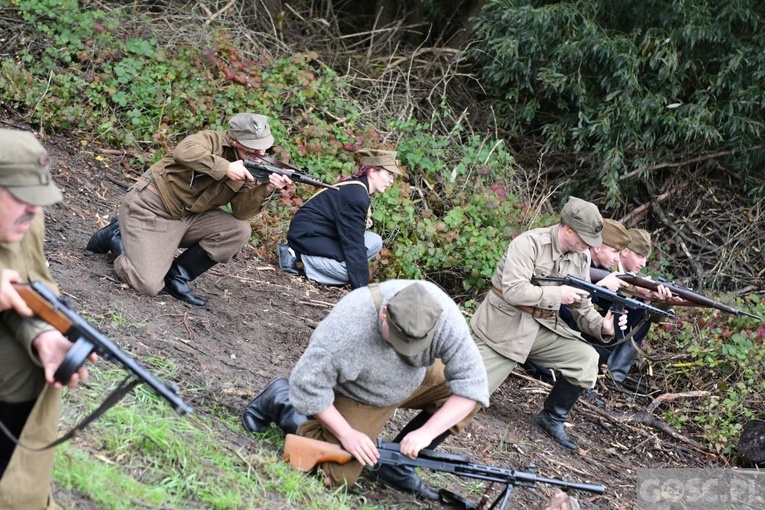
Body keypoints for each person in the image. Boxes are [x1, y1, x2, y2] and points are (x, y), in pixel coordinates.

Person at [242, 280, 489, 500]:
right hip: (360, 391)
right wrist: (347, 433)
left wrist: (426, 433)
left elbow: (473, 384)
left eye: (416, 343)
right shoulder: (347, 328)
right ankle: (280, 400)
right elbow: (307, 386)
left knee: (465, 397)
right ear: (384, 314)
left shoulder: (440, 313)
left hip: (413, 378)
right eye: (399, 339)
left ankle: (399, 465)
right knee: (336, 477)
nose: (407, 348)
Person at [470, 196, 627, 451]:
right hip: (506, 328)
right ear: (568, 229)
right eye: (585, 238)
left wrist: (603, 327)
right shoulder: (529, 244)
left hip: (543, 329)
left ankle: (552, 418)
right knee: (463, 399)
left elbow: (580, 305)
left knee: (586, 359)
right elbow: (513, 291)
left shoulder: (580, 257)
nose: (588, 246)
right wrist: (558, 295)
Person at [87, 113, 291, 307]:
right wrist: (225, 168)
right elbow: (184, 151)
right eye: (253, 148)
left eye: (263, 148)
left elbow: (241, 212)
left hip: (188, 217)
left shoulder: (252, 164)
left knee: (239, 229)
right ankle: (118, 236)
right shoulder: (210, 140)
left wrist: (268, 188)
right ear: (234, 141)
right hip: (151, 208)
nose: (260, 154)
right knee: (146, 284)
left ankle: (176, 276)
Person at [0, 129, 94, 508]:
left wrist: (42, 334)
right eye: (23, 197)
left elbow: (24, 292)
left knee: (29, 361)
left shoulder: (23, 222)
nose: (35, 209)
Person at [278, 148, 403, 289]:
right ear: (373, 172)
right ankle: (296, 255)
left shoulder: (358, 188)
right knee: (350, 272)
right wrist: (363, 290)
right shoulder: (356, 196)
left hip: (322, 233)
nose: (391, 181)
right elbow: (353, 246)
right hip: (306, 236)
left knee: (374, 241)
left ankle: (308, 260)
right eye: (389, 175)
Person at [599, 228, 673, 385]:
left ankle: (615, 376)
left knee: (644, 315)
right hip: (590, 327)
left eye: (645, 257)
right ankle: (603, 369)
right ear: (624, 251)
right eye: (639, 256)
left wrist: (658, 301)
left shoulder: (632, 277)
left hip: (602, 331)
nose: (643, 263)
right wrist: (637, 293)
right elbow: (607, 301)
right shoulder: (605, 267)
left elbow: (656, 318)